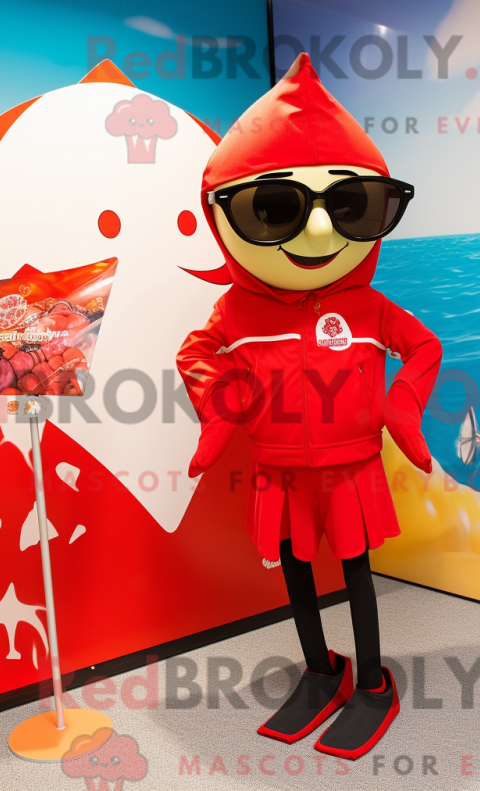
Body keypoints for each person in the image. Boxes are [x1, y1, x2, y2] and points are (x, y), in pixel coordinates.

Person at [177, 53, 442, 761]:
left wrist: (402, 409)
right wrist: (222, 409)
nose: (320, 234)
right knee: (296, 569)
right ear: (223, 214)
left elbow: (423, 348)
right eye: (274, 208)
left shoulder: (368, 307)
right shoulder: (236, 311)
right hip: (278, 470)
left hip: (350, 469)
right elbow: (195, 354)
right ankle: (321, 670)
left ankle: (373, 682)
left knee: (355, 571)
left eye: (351, 206)